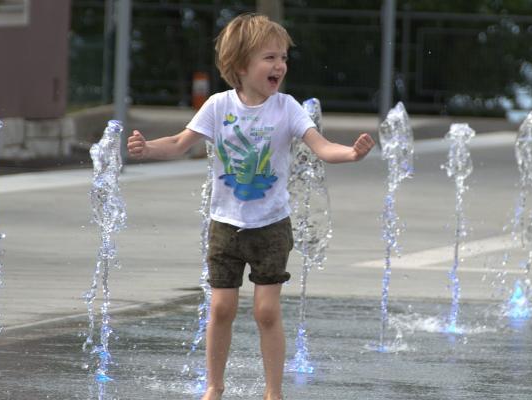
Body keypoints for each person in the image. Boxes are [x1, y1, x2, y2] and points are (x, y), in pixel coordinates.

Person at [127, 13, 375, 400]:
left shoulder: (287, 107)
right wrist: (147, 149)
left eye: (283, 58)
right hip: (224, 225)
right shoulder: (217, 105)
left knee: (266, 312)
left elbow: (321, 146)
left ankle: (273, 392)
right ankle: (214, 387)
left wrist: (352, 154)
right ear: (241, 66)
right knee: (221, 308)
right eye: (270, 58)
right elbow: (179, 143)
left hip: (272, 226)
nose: (280, 66)